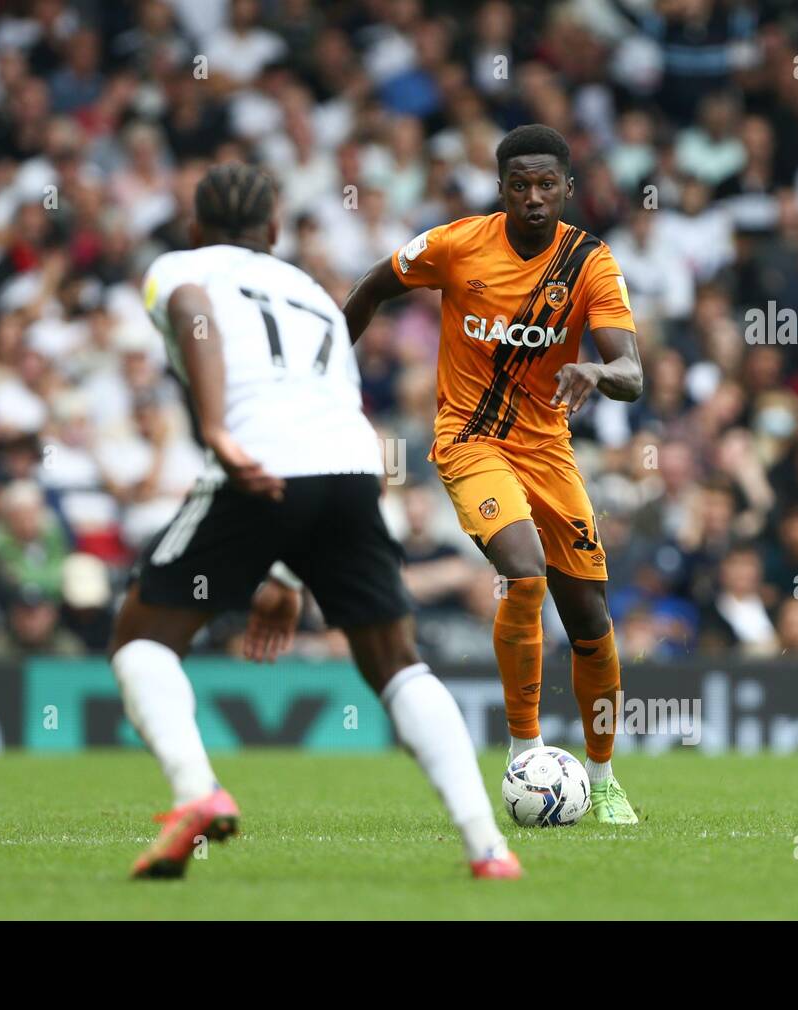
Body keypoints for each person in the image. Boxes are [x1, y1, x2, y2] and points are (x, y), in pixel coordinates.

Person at [110, 163, 517, 880]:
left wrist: (214, 430)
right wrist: (283, 572)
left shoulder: (181, 267)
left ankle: (198, 795)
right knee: (396, 662)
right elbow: (321, 414)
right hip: (354, 473)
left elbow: (195, 311)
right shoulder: (312, 293)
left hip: (260, 463)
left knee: (142, 638)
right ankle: (488, 847)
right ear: (272, 231)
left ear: (198, 228)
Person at [341, 124, 645, 824]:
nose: (534, 197)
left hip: (548, 451)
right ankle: (525, 749)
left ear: (567, 189)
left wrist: (597, 369)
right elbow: (370, 287)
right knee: (523, 568)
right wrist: (324, 372)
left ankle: (601, 778)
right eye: (520, 184)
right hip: (470, 440)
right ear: (501, 187)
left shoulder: (590, 262)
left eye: (547, 184)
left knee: (593, 624)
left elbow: (632, 372)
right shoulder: (456, 244)